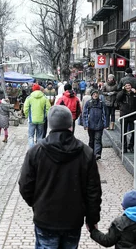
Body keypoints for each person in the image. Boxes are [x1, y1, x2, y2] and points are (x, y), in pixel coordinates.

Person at [19, 105, 102, 249]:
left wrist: (38, 203)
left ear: (50, 124)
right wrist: (92, 218)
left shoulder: (35, 152)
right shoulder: (86, 153)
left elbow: (25, 186)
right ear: (71, 124)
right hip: (72, 219)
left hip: (45, 217)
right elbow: (93, 191)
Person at [83, 89, 107, 160]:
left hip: (99, 124)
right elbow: (85, 114)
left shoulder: (102, 103)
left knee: (98, 139)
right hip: (90, 125)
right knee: (91, 140)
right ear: (91, 95)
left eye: (96, 94)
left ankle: (97, 153)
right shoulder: (88, 103)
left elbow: (105, 114)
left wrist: (105, 124)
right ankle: (91, 153)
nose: (95, 95)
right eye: (94, 94)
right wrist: (85, 124)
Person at [116, 82, 136, 153]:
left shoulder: (134, 93)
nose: (128, 87)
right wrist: (123, 91)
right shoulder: (122, 93)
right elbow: (118, 98)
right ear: (124, 87)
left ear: (131, 86)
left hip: (133, 115)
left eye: (129, 85)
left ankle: (131, 146)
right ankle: (124, 147)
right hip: (124, 115)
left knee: (134, 132)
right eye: (126, 86)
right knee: (123, 131)